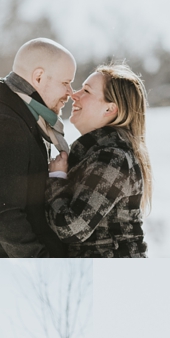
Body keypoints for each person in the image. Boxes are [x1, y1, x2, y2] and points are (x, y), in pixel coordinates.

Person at [0, 37, 76, 257]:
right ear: (39, 76)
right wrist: (45, 267)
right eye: (65, 82)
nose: (70, 93)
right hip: (7, 277)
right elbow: (5, 220)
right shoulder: (5, 127)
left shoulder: (19, 118)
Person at [45, 63, 152, 257]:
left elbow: (70, 228)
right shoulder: (94, 154)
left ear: (110, 109)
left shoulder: (113, 158)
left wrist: (57, 177)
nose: (74, 95)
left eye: (86, 90)